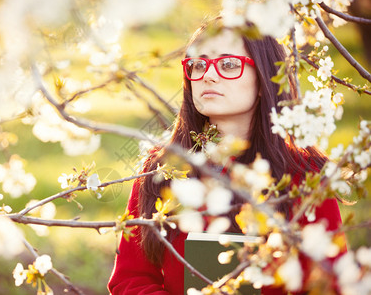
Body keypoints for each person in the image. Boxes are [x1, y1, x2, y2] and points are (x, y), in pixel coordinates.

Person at [108, 18, 344, 294]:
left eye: (228, 64)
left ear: (264, 77)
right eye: (198, 64)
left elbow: (331, 282)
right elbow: (129, 279)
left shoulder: (305, 175)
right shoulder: (162, 169)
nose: (208, 75)